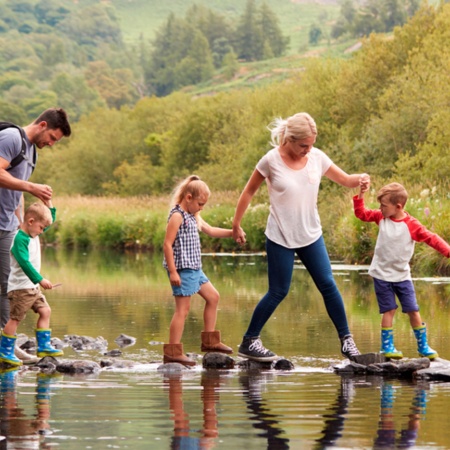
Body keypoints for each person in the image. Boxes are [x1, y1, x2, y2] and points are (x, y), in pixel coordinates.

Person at [232, 112, 368, 362]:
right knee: (278, 291)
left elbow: (346, 180)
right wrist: (236, 223)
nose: (308, 149)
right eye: (303, 145)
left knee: (328, 285)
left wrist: (360, 179)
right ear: (289, 139)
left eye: (311, 144)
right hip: (280, 236)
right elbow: (248, 192)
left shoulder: (317, 157)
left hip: (311, 234)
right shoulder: (270, 160)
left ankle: (347, 342)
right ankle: (250, 341)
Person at [0, 108, 71, 362]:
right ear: (42, 125)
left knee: (7, 284)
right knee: (8, 284)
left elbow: (16, 194)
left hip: (7, 224)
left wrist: (21, 225)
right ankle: (7, 346)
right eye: (52, 137)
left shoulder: (31, 154)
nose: (51, 144)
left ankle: (7, 345)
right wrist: (31, 186)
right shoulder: (12, 138)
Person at [353, 181, 450, 359]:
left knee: (413, 309)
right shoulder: (380, 218)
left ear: (398, 206)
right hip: (381, 275)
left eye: (384, 205)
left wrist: (448, 251)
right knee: (389, 310)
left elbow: (432, 238)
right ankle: (387, 347)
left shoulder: (412, 225)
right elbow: (361, 213)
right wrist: (360, 195)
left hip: (402, 276)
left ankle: (423, 347)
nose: (380, 208)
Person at [162, 175, 235, 366]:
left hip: (195, 268)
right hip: (183, 270)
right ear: (188, 198)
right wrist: (173, 272)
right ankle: (173, 351)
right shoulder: (177, 216)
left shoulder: (193, 216)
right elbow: (167, 245)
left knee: (213, 297)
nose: (201, 207)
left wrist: (233, 232)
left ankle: (210, 342)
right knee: (182, 310)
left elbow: (210, 230)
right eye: (200, 203)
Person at [0, 201, 63, 366]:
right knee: (15, 319)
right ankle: (5, 351)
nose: (43, 231)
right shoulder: (20, 239)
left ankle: (43, 346)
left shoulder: (34, 232)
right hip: (21, 289)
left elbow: (49, 220)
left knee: (45, 311)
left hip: (32, 288)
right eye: (42, 228)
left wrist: (48, 203)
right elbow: (24, 262)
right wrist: (40, 279)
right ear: (30, 222)